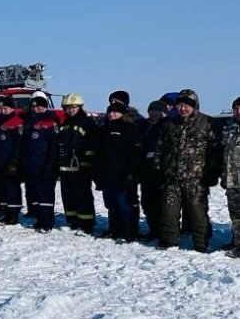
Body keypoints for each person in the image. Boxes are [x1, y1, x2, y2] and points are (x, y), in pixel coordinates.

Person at [157, 88, 221, 252]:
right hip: (172, 178)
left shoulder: (207, 123)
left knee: (197, 214)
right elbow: (161, 147)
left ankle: (201, 245)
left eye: (187, 105)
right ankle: (169, 243)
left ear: (195, 106)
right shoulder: (169, 124)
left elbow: (215, 151)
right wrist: (158, 167)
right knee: (168, 213)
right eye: (180, 105)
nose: (183, 108)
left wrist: (213, 173)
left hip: (196, 179)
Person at [94, 102, 141, 242]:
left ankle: (130, 231)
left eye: (115, 112)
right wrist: (97, 173)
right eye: (110, 112)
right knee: (111, 204)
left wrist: (131, 172)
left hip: (124, 175)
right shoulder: (103, 129)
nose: (112, 114)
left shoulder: (130, 129)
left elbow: (135, 152)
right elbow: (98, 153)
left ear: (122, 114)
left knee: (125, 203)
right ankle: (114, 229)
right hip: (107, 175)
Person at [57, 93, 98, 233]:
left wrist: (87, 163)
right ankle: (72, 221)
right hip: (65, 165)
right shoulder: (64, 124)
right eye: (67, 108)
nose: (70, 110)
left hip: (80, 166)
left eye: (73, 107)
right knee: (67, 195)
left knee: (83, 195)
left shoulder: (88, 123)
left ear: (79, 107)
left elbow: (92, 145)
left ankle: (86, 224)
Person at [21, 92, 60, 232]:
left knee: (45, 196)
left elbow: (53, 147)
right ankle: (39, 218)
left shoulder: (51, 121)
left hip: (44, 166)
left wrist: (50, 165)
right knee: (35, 195)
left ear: (45, 107)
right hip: (31, 165)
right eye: (33, 107)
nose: (35, 110)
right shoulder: (29, 122)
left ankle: (47, 223)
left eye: (38, 107)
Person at [0, 97, 24, 225]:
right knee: (1, 189)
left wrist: (15, 162)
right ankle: (5, 212)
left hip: (10, 163)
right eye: (0, 109)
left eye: (5, 109)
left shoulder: (17, 122)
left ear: (12, 108)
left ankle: (13, 215)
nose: (3, 111)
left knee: (12, 189)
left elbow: (19, 145)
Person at [139, 100, 170, 241]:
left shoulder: (167, 125)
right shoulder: (143, 126)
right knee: (147, 201)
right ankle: (153, 229)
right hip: (145, 168)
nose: (153, 113)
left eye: (156, 110)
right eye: (150, 110)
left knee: (162, 202)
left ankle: (164, 231)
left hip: (161, 169)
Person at [222, 96, 240, 257]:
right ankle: (236, 242)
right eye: (236, 108)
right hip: (232, 179)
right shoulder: (229, 127)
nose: (238, 111)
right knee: (235, 214)